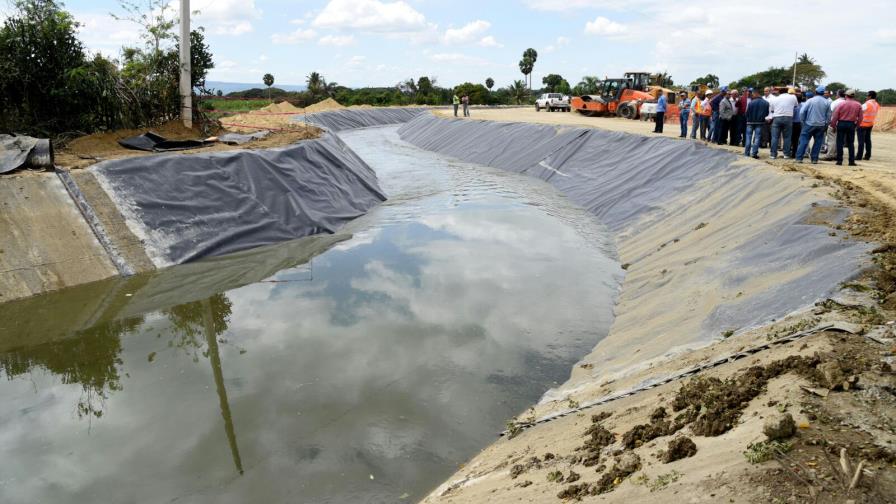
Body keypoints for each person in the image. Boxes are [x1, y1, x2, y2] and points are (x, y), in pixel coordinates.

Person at [795, 86, 831, 164]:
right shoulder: (827, 102)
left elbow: (802, 112)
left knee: (804, 141)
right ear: (823, 93)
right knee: (818, 142)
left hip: (809, 124)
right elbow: (828, 115)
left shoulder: (810, 101)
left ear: (815, 92)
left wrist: (803, 121)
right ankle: (814, 159)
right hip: (821, 125)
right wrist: (826, 124)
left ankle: (799, 158)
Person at [830, 89, 863, 166]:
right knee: (851, 143)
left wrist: (833, 125)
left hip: (841, 123)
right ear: (853, 96)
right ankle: (851, 161)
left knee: (840, 142)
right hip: (851, 124)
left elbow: (835, 116)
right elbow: (861, 117)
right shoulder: (858, 105)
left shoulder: (841, 104)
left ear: (846, 95)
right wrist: (857, 125)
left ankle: (839, 161)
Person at [768, 87, 797, 159]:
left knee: (775, 137)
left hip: (777, 117)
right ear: (787, 91)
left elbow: (772, 110)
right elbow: (795, 106)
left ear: (779, 92)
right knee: (787, 137)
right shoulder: (793, 97)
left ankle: (773, 154)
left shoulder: (774, 99)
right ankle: (786, 154)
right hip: (788, 117)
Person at [744, 88, 769, 158]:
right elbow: (767, 114)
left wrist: (748, 118)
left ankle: (746, 153)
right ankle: (754, 153)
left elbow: (746, 113)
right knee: (757, 138)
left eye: (752, 94)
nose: (752, 95)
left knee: (748, 137)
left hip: (750, 122)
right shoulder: (766, 103)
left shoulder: (751, 103)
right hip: (760, 122)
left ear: (756, 93)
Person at [823, 89, 847, 160]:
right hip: (843, 124)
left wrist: (831, 123)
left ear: (838, 94)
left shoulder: (835, 102)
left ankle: (830, 155)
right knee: (840, 140)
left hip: (835, 123)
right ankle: (837, 154)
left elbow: (832, 114)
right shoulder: (847, 102)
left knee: (831, 140)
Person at [858, 90, 880, 161]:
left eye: (867, 96)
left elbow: (859, 112)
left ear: (870, 96)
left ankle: (859, 156)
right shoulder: (876, 104)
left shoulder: (866, 104)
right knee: (868, 140)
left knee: (861, 141)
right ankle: (867, 155)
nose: (866, 97)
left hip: (862, 124)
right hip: (870, 124)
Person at [790, 90, 804, 158]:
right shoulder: (803, 105)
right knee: (797, 139)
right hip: (800, 124)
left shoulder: (792, 106)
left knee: (791, 139)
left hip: (792, 123)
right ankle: (795, 153)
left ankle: (791, 152)